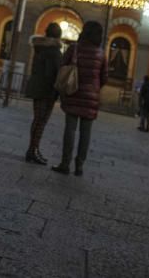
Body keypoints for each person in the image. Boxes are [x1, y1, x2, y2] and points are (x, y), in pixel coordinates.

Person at [52, 21, 108, 177]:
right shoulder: (101, 53)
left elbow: (63, 67)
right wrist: (94, 88)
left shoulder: (74, 49)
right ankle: (79, 166)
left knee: (69, 129)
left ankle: (65, 163)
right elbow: (104, 77)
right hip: (91, 97)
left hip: (73, 92)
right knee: (86, 132)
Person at [24, 23, 63, 165]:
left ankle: (32, 149)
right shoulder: (54, 51)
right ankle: (33, 150)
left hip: (37, 86)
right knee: (42, 121)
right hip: (48, 90)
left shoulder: (39, 47)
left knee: (37, 120)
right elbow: (58, 72)